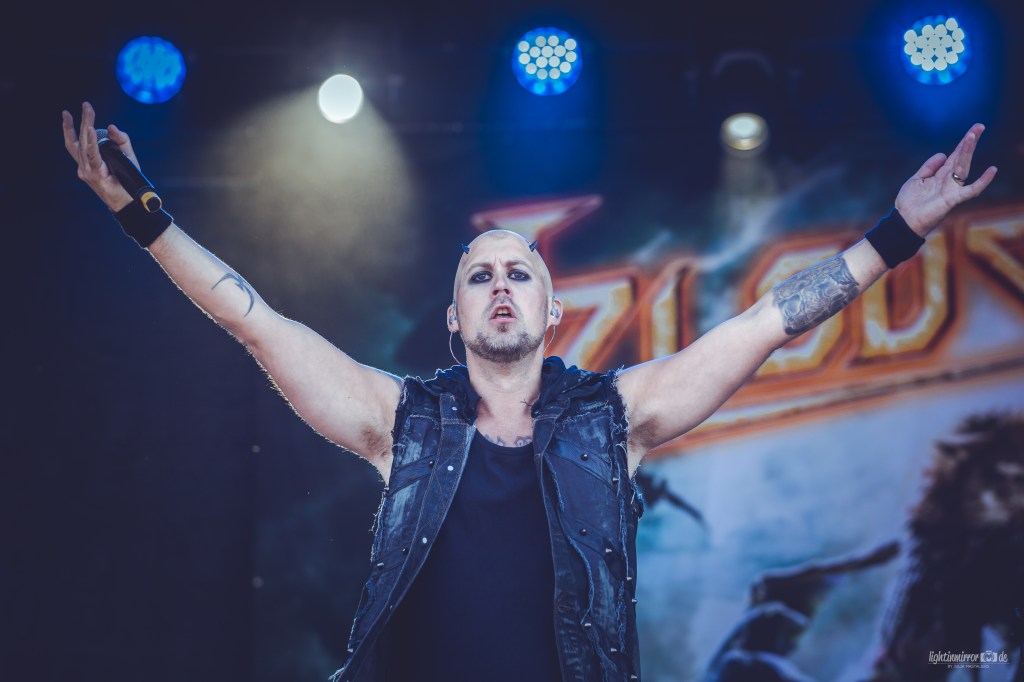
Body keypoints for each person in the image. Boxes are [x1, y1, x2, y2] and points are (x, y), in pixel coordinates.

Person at [62, 101, 996, 682]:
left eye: (520, 275)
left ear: (553, 313)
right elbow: (255, 321)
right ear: (453, 314)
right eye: (481, 276)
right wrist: (143, 214)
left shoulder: (615, 417)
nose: (501, 286)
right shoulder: (400, 422)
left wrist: (898, 233)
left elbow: (766, 323)